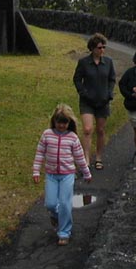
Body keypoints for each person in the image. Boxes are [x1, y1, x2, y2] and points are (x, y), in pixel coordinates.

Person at [32, 103, 91, 246]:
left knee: (65, 203)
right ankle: (56, 216)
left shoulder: (72, 138)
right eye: (59, 122)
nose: (61, 126)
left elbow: (79, 157)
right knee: (51, 203)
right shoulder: (47, 135)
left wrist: (86, 173)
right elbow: (40, 153)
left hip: (67, 175)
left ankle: (64, 232)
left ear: (69, 123)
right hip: (51, 175)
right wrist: (36, 170)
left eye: (65, 123)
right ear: (54, 121)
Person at [73, 33, 116, 170]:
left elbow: (112, 79)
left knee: (101, 130)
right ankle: (86, 157)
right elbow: (77, 79)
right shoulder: (84, 62)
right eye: (99, 47)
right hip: (87, 101)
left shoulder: (108, 62)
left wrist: (109, 93)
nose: (102, 50)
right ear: (92, 48)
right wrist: (83, 92)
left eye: (104, 47)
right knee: (87, 129)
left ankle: (98, 157)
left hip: (103, 101)